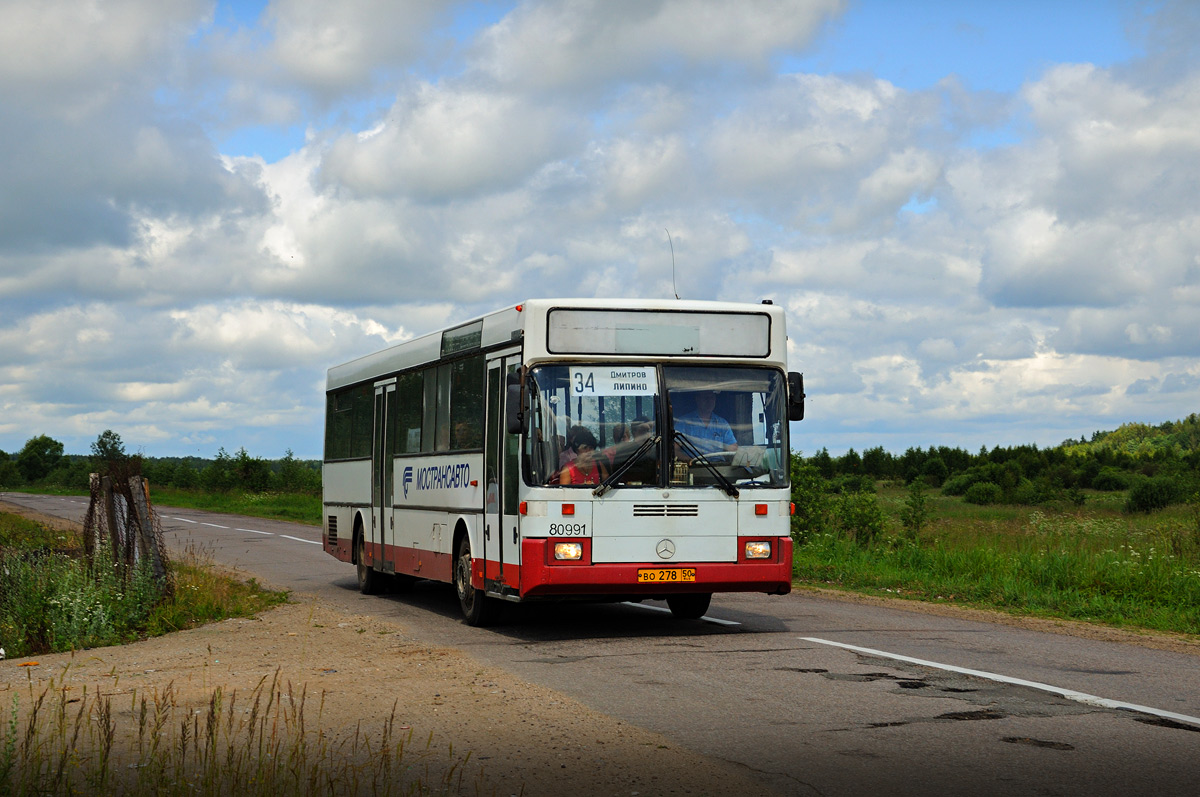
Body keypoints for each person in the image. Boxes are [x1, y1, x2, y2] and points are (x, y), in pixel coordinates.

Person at [674, 391, 737, 458]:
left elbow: (733, 449)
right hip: (693, 467)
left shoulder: (722, 424)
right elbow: (674, 450)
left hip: (718, 467)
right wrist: (688, 461)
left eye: (712, 398)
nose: (709, 401)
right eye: (705, 398)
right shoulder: (683, 422)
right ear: (697, 399)